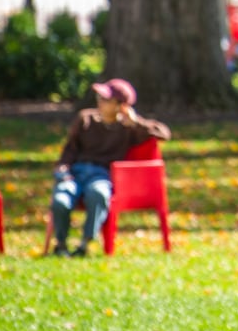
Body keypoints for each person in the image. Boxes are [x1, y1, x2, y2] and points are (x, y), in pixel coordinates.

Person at [49, 78, 170, 257]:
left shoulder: (127, 128)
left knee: (98, 195)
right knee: (60, 199)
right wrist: (63, 168)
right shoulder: (86, 119)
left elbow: (164, 133)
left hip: (102, 175)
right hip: (76, 172)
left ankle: (85, 244)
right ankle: (61, 244)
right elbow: (70, 150)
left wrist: (136, 122)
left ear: (120, 106)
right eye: (99, 98)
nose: (100, 102)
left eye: (106, 100)